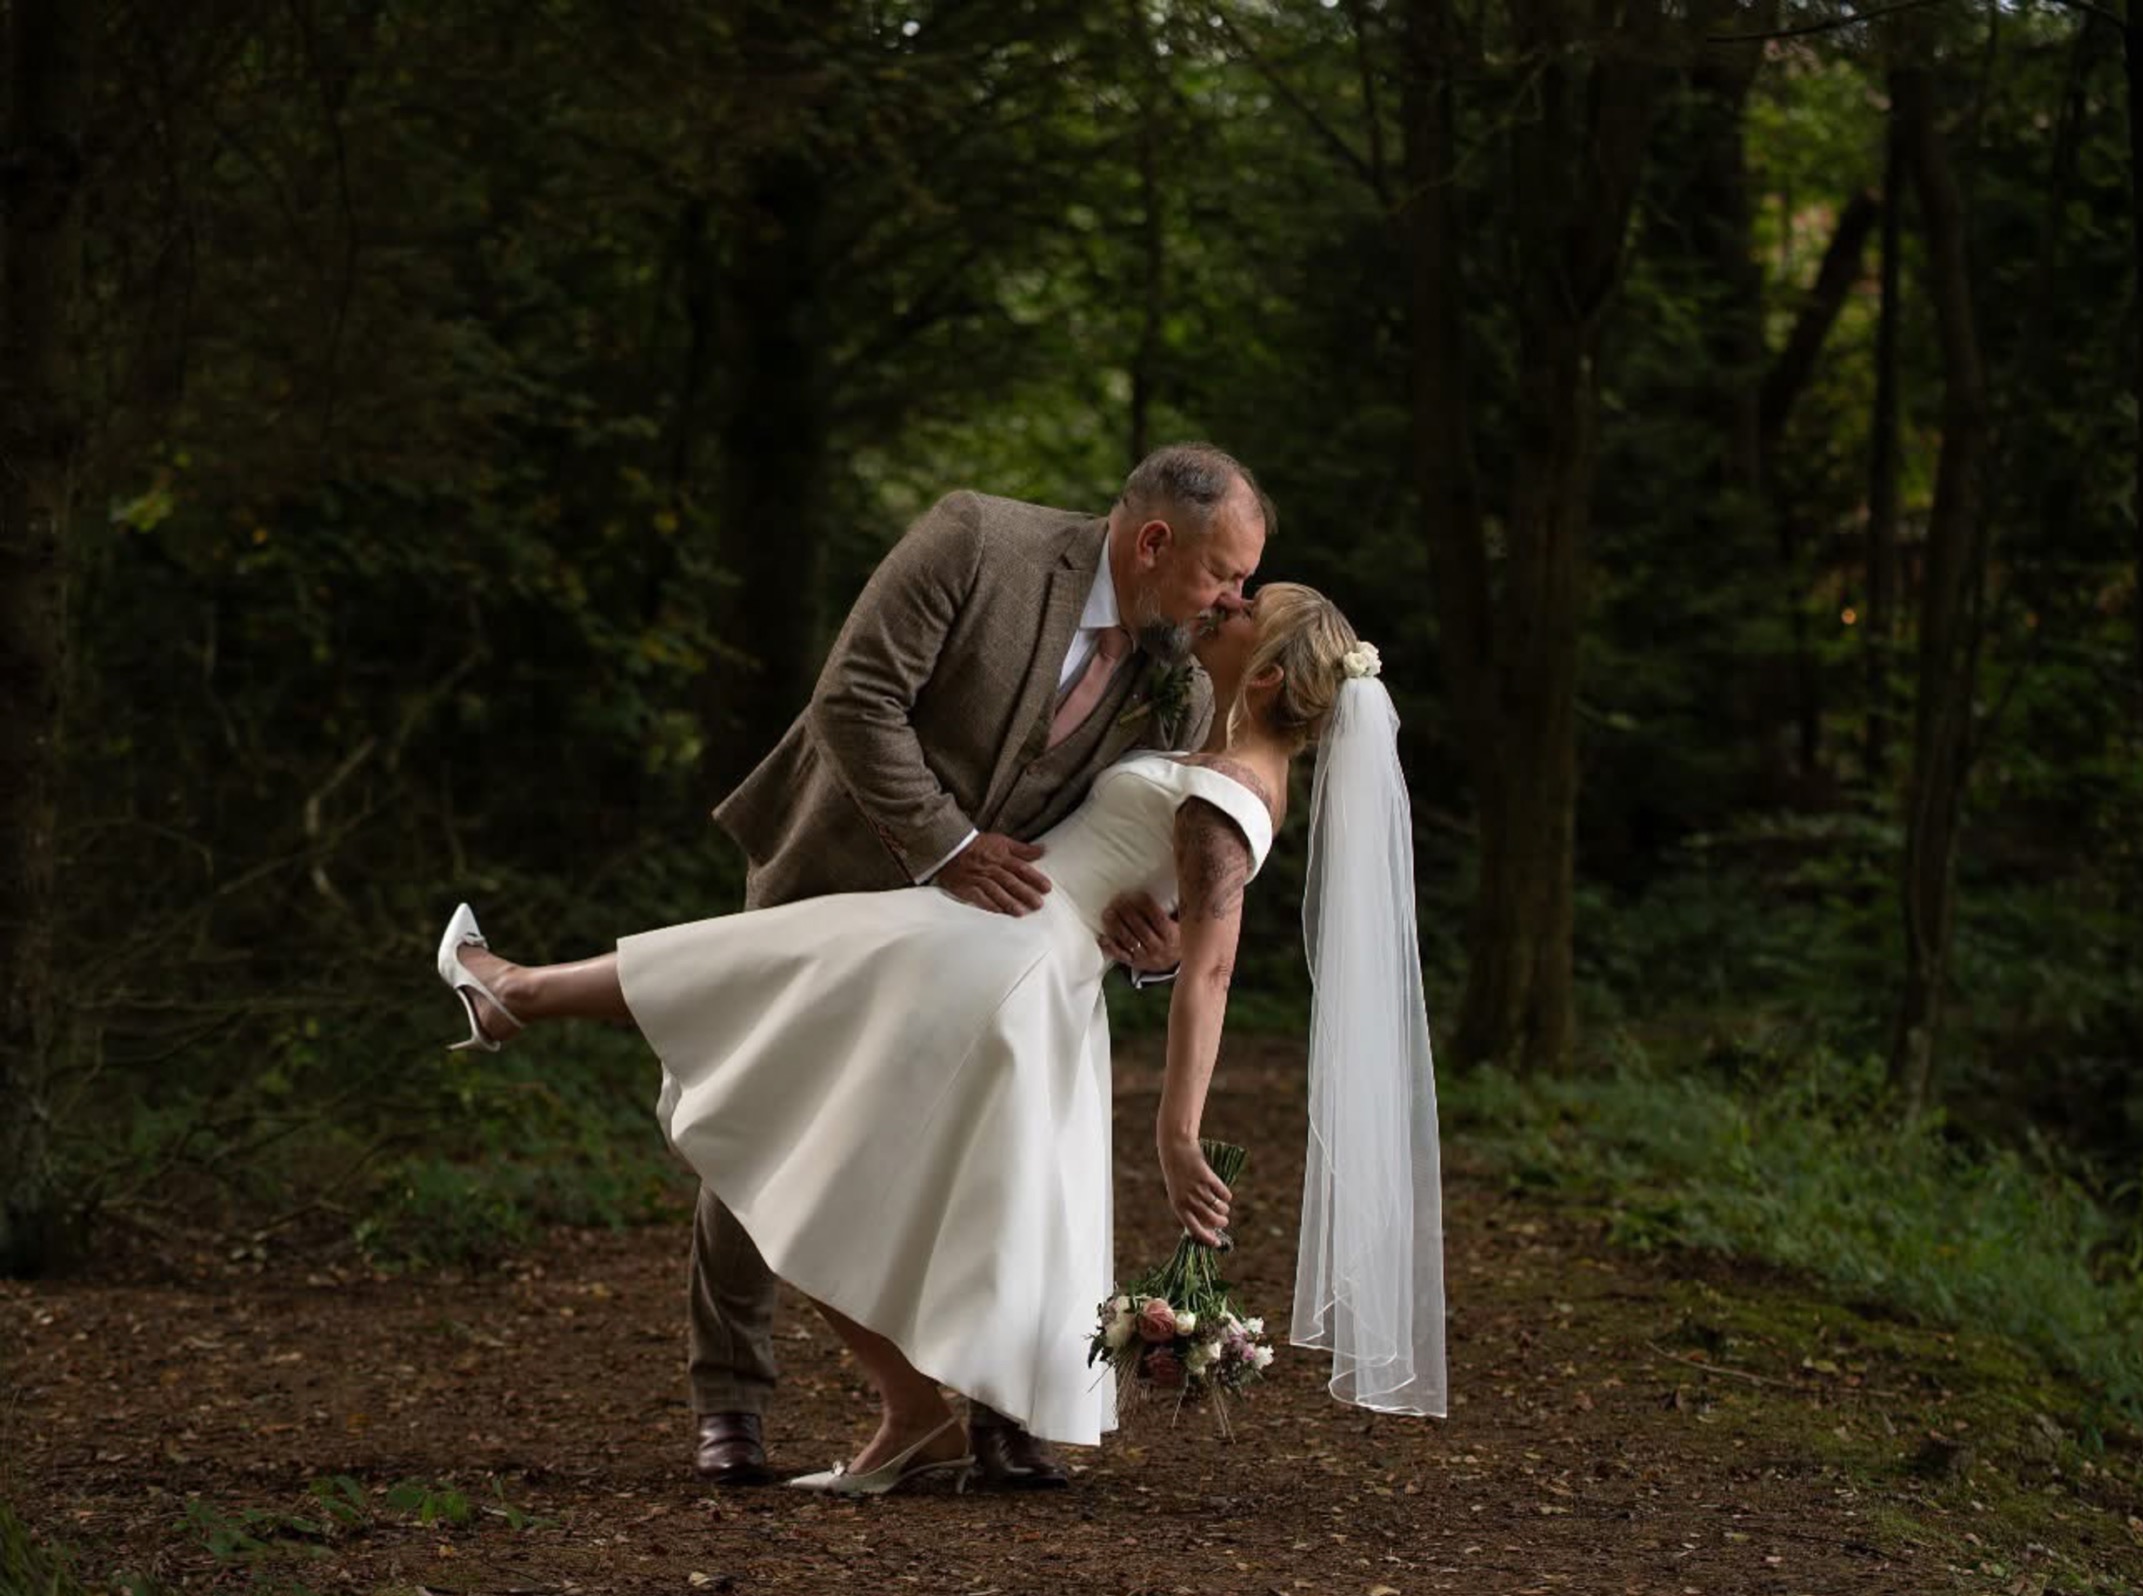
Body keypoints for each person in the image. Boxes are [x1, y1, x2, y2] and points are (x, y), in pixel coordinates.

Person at [433, 582, 1449, 1494]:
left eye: (1242, 611)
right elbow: (1184, 926)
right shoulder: (1222, 760)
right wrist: (1160, 932)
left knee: (774, 1027)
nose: (1222, 605)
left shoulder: (1229, 792)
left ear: (1266, 674)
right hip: (1014, 961)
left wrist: (1177, 1133)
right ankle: (923, 1412)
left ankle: (516, 988)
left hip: (997, 959)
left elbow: (1213, 968)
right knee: (790, 1016)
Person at [683, 444, 1267, 1488]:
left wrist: (1158, 943)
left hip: (996, 949)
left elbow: (1141, 858)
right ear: (1150, 543)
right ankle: (731, 1397)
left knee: (999, 1148)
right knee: (757, 1103)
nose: (1236, 598)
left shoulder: (1177, 688)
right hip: (846, 864)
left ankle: (999, 1406)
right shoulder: (977, 541)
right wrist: (949, 847)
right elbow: (855, 700)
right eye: (1223, 573)